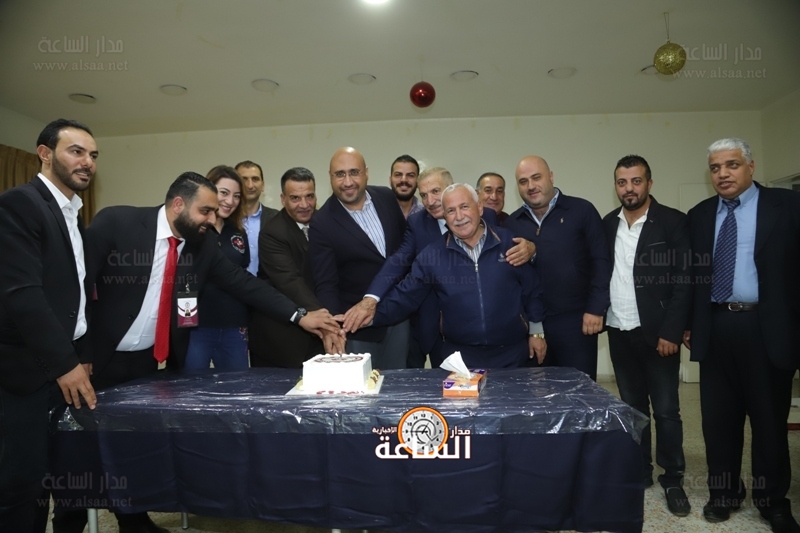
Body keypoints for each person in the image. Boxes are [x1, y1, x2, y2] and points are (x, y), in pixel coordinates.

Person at [55, 172, 341, 533]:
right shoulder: (118, 223)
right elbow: (77, 285)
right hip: (94, 359)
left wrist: (300, 315)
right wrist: (77, 354)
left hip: (145, 363)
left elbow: (244, 284)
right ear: (178, 205)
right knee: (79, 446)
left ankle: (133, 520)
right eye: (205, 211)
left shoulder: (200, 246)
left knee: (132, 445)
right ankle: (67, 522)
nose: (212, 218)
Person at [684, 138, 800, 532]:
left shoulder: (788, 207)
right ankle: (724, 494)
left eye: (732, 165)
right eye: (715, 168)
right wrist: (689, 323)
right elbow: (692, 276)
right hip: (716, 327)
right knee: (718, 422)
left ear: (750, 166)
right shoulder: (700, 215)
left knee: (769, 422)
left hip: (767, 328)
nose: (723, 174)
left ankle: (772, 502)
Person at [0, 119, 97, 533]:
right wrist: (65, 364)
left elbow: (78, 294)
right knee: (24, 483)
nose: (87, 162)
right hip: (26, 372)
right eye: (76, 151)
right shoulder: (19, 204)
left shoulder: (73, 214)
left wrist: (83, 354)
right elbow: (23, 294)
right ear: (44, 154)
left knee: (67, 469)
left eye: (93, 155)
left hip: (68, 364)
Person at [342, 167, 533, 367]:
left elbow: (520, 269)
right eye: (423, 195)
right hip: (444, 336)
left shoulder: (492, 220)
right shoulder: (419, 226)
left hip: (505, 344)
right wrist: (371, 301)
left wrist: (532, 249)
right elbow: (399, 266)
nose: (430, 201)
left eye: (435, 192)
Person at [602, 155, 691, 516]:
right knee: (632, 408)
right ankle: (640, 470)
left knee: (667, 410)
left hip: (659, 335)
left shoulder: (672, 222)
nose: (629, 189)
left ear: (649, 184)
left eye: (636, 181)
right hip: (619, 329)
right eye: (622, 182)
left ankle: (673, 477)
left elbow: (684, 281)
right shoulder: (607, 224)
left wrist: (672, 330)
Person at [505, 155, 610, 380]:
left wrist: (596, 308)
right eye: (523, 181)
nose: (530, 186)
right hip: (532, 327)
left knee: (579, 391)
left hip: (577, 323)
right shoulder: (512, 223)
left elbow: (601, 261)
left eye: (536, 177)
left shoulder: (581, 210)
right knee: (536, 393)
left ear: (551, 177)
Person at [309, 147, 409, 369]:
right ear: (330, 177)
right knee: (362, 388)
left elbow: (405, 248)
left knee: (400, 384)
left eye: (354, 172)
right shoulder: (321, 222)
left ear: (366, 172)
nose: (347, 182)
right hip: (356, 329)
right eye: (340, 174)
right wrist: (334, 328)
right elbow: (326, 283)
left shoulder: (386, 197)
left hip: (398, 318)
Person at [249, 167, 343, 367]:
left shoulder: (326, 223)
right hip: (282, 340)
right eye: (295, 198)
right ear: (283, 199)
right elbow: (290, 282)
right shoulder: (273, 232)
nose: (304, 205)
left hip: (321, 335)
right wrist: (328, 324)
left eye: (309, 196)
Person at [184, 166, 251, 370]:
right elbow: (183, 280)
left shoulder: (239, 232)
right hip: (196, 327)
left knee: (238, 385)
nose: (230, 201)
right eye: (224, 193)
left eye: (236, 196)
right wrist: (185, 322)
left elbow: (242, 275)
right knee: (191, 385)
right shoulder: (193, 230)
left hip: (234, 326)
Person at [234, 160, 278, 276]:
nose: (250, 185)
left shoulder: (277, 219)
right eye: (244, 179)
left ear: (263, 185)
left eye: (255, 179)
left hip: (267, 286)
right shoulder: (223, 220)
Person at [389, 154, 424, 218]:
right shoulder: (379, 210)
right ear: (390, 180)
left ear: (418, 181)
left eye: (410, 175)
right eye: (398, 175)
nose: (404, 180)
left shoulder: (426, 213)